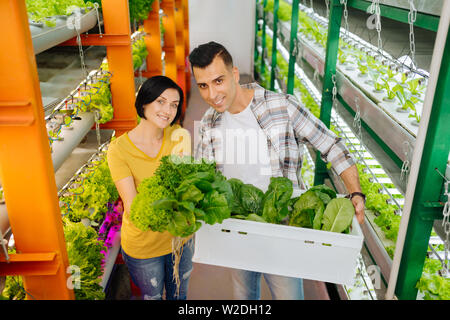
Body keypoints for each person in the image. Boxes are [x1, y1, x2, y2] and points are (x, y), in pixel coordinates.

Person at [188, 41, 365, 300]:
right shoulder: (208, 122)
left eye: (218, 81)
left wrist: (356, 193)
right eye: (203, 85)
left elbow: (332, 146)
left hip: (282, 227)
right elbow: (203, 176)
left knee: (289, 295)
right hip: (238, 226)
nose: (212, 94)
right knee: (243, 295)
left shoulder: (280, 106)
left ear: (234, 75)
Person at [107, 75, 192, 300]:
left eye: (174, 105)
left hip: (180, 240)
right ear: (144, 102)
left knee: (180, 296)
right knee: (151, 297)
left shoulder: (179, 136)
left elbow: (185, 188)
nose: (168, 110)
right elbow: (134, 206)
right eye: (161, 101)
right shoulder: (119, 150)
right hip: (144, 246)